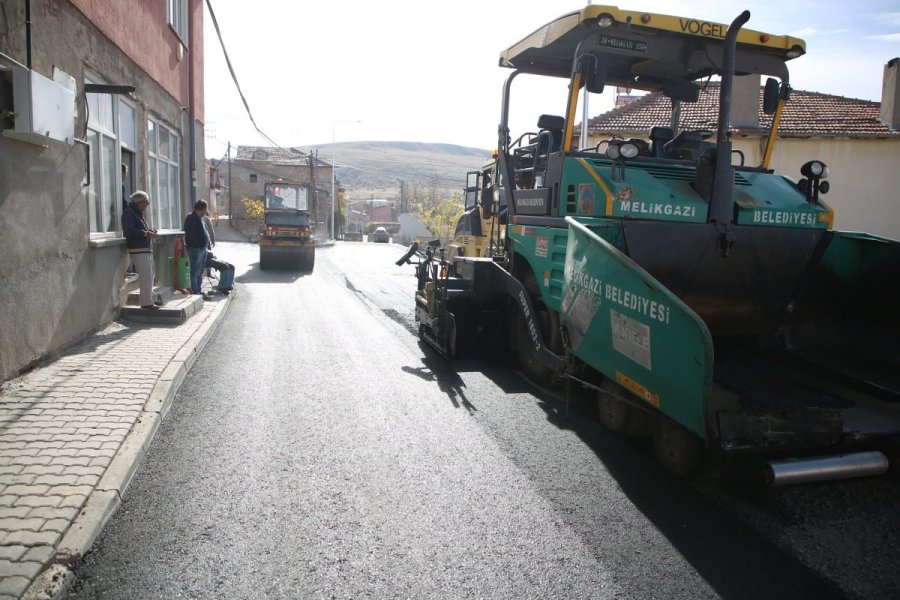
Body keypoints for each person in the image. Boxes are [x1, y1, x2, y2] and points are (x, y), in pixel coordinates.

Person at [121, 191, 160, 310]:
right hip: (138, 249)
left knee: (150, 275)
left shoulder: (138, 213)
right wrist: (146, 233)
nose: (147, 205)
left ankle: (149, 299)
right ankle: (146, 303)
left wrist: (149, 232)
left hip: (145, 248)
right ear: (139, 203)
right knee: (146, 276)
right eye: (146, 203)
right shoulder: (129, 213)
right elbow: (129, 231)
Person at [183, 200, 211, 299]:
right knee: (194, 271)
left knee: (200, 272)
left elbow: (205, 233)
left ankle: (198, 290)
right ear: (202, 209)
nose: (206, 211)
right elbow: (190, 235)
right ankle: (195, 291)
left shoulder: (200, 219)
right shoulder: (191, 218)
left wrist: (207, 247)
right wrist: (197, 246)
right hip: (195, 249)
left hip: (203, 249)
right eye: (205, 209)